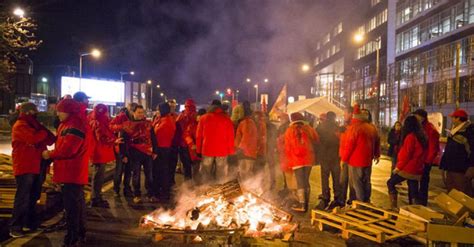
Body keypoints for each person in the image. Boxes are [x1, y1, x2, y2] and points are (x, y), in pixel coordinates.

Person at [42, 99, 88, 246]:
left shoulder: (75, 125)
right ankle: (79, 233)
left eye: (59, 111)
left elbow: (68, 149)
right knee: (76, 204)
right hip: (69, 170)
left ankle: (72, 237)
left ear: (68, 111)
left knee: (72, 207)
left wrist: (50, 154)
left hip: (72, 171)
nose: (58, 114)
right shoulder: (68, 123)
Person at [9, 102, 55, 238]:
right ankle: (15, 227)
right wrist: (41, 131)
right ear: (28, 112)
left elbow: (51, 140)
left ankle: (30, 223)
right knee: (22, 197)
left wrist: (41, 131)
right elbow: (33, 138)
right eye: (34, 111)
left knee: (34, 196)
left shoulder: (34, 125)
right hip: (25, 166)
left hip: (37, 165)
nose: (36, 114)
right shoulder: (20, 125)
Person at [340, 105, 380, 203]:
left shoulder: (354, 128)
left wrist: (344, 159)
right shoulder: (371, 127)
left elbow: (350, 145)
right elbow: (377, 141)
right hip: (367, 160)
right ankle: (367, 200)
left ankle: (360, 204)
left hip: (355, 161)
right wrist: (376, 154)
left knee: (356, 183)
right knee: (366, 182)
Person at [387, 116, 427, 209]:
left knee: (390, 182)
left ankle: (393, 207)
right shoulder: (421, 136)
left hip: (408, 168)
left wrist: (398, 168)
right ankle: (413, 209)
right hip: (417, 168)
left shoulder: (410, 137)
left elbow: (407, 155)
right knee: (413, 190)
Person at [284, 112, 319, 212]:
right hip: (309, 159)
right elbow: (317, 139)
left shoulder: (289, 130)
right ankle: (306, 204)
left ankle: (302, 205)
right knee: (306, 181)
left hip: (297, 160)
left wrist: (288, 161)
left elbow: (287, 147)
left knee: (300, 182)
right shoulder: (308, 128)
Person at [122, 105, 157, 203]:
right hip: (134, 153)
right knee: (136, 175)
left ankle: (150, 194)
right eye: (139, 112)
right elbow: (124, 141)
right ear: (133, 113)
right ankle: (137, 195)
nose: (141, 114)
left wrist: (155, 151)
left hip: (147, 152)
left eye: (142, 112)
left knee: (149, 175)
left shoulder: (148, 124)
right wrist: (124, 154)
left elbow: (153, 138)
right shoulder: (127, 124)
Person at [196, 100, 235, 184]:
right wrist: (231, 151)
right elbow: (230, 136)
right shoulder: (226, 119)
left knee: (205, 173)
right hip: (222, 151)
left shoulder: (203, 118)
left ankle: (205, 192)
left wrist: (198, 150)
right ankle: (220, 193)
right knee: (221, 174)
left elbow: (199, 136)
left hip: (207, 149)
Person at [440, 109, 474, 196]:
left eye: (453, 118)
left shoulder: (469, 131)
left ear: (458, 118)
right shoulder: (454, 131)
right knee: (451, 192)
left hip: (461, 169)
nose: (452, 120)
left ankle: (466, 210)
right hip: (451, 167)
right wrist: (443, 166)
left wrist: (471, 167)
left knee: (463, 194)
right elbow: (448, 150)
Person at [88, 104, 116, 208]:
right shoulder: (99, 122)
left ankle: (96, 197)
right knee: (98, 176)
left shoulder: (93, 119)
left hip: (97, 152)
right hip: (99, 153)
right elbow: (101, 137)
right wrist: (114, 140)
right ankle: (95, 198)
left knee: (98, 175)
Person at [315, 111, 344, 210]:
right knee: (336, 178)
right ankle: (337, 198)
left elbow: (316, 140)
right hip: (336, 157)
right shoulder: (338, 128)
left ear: (327, 117)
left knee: (325, 178)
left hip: (324, 157)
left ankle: (325, 197)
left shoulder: (320, 127)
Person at [412, 109, 440, 206]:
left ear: (422, 117)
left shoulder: (430, 130)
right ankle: (414, 202)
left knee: (423, 183)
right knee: (413, 181)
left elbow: (433, 148)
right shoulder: (417, 128)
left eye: (416, 116)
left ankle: (422, 203)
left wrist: (428, 162)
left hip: (424, 161)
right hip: (416, 160)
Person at [109, 103, 137, 197]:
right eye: (134, 111)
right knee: (119, 169)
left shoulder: (135, 118)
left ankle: (126, 188)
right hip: (121, 146)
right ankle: (116, 189)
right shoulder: (121, 117)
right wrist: (122, 127)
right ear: (130, 110)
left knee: (129, 169)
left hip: (131, 147)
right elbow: (111, 126)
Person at [152, 103, 176, 202]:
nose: (156, 111)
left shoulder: (166, 121)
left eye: (158, 109)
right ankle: (161, 192)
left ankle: (163, 193)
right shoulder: (162, 119)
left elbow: (155, 134)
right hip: (161, 148)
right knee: (161, 171)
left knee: (161, 171)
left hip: (162, 149)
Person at [234, 101, 258, 181]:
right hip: (251, 152)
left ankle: (247, 190)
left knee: (244, 174)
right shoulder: (253, 123)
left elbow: (244, 138)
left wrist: (239, 148)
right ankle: (250, 189)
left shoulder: (245, 123)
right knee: (248, 173)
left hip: (244, 153)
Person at [175, 99, 197, 180]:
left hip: (183, 143)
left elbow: (176, 126)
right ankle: (196, 184)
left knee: (186, 165)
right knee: (195, 165)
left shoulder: (181, 115)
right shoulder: (195, 115)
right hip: (193, 144)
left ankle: (187, 183)